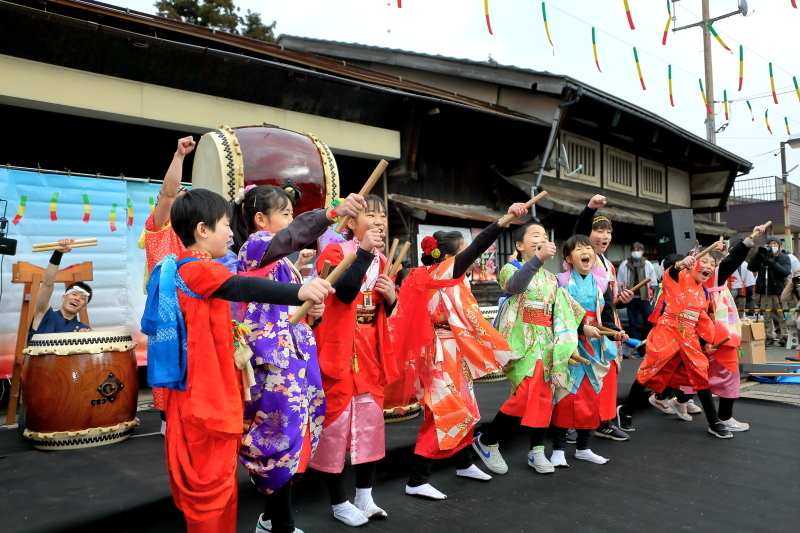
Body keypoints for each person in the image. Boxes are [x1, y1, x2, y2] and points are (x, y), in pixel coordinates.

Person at [141, 189, 333, 533]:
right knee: (211, 491)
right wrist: (298, 292)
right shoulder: (195, 270)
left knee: (218, 487)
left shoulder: (189, 271)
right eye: (225, 225)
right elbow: (241, 287)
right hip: (204, 400)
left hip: (202, 395)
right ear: (202, 229)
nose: (231, 233)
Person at [232, 185, 365, 533]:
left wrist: (312, 312)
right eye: (286, 213)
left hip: (294, 359)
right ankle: (281, 523)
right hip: (273, 365)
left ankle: (272, 519)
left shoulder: (282, 263)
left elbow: (291, 310)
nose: (292, 222)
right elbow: (295, 235)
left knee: (294, 437)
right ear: (262, 219)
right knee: (277, 440)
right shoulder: (257, 245)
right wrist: (331, 214)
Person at [390, 203, 525, 500]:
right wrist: (504, 220)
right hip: (437, 352)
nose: (469, 258)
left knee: (464, 406)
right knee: (444, 412)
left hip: (451, 351)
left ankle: (463, 462)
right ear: (451, 255)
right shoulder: (439, 274)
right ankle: (417, 478)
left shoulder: (432, 276)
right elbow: (478, 246)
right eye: (463, 251)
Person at [309, 194, 398, 527]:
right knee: (336, 427)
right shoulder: (334, 253)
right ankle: (338, 501)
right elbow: (345, 292)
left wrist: (391, 298)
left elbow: (379, 311)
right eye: (370, 215)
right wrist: (362, 250)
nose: (378, 221)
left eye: (382, 216)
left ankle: (365, 495)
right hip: (339, 350)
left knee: (371, 424)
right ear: (350, 224)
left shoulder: (383, 260)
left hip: (369, 351)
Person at [472, 221, 583, 475]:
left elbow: (563, 311)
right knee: (524, 394)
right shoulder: (511, 268)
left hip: (546, 342)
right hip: (523, 340)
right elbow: (514, 286)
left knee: (545, 397)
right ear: (520, 245)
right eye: (535, 236)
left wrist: (574, 335)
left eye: (545, 235)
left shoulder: (551, 278)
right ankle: (487, 440)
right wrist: (538, 259)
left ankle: (536, 450)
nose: (542, 239)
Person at [617, 243, 733, 439]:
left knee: (700, 373)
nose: (708, 267)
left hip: (688, 335)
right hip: (668, 331)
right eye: (703, 261)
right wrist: (680, 265)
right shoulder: (680, 276)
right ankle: (626, 410)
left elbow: (702, 319)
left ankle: (714, 422)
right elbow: (669, 274)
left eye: (712, 264)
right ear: (692, 264)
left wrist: (706, 342)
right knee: (649, 371)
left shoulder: (702, 292)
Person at [549, 235, 628, 467]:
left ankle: (584, 447)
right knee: (565, 396)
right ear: (567, 259)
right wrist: (580, 328)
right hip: (568, 345)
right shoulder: (559, 281)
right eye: (579, 249)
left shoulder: (601, 283)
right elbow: (554, 316)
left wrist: (615, 333)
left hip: (595, 346)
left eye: (588, 248)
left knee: (593, 396)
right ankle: (558, 450)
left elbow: (606, 317)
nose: (587, 252)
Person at [141, 136, 195, 433]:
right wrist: (179, 156)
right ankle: (169, 427)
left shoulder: (199, 236)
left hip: (194, 316)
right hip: (169, 320)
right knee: (171, 382)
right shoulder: (159, 228)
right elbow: (169, 193)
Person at [573, 194, 634, 441]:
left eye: (608, 232)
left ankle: (604, 420)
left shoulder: (608, 264)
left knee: (608, 374)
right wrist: (589, 208)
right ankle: (576, 422)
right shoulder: (581, 258)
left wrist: (622, 300)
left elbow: (609, 302)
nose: (604, 236)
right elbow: (577, 231)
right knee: (581, 374)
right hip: (583, 325)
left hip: (608, 325)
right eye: (598, 230)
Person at [30, 238, 93, 340]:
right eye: (74, 294)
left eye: (82, 298)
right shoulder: (44, 315)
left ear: (83, 307)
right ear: (64, 297)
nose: (77, 298)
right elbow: (47, 283)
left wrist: (88, 338)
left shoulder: (83, 329)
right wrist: (58, 254)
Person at [748, 236, 791, 346]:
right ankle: (768, 336)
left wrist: (771, 263)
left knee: (782, 315)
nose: (772, 246)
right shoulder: (763, 256)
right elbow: (751, 267)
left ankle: (784, 336)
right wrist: (758, 255)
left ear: (779, 246)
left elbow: (785, 272)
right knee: (766, 316)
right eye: (770, 244)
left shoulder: (784, 258)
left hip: (779, 291)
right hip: (764, 291)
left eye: (775, 244)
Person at [616, 242, 658, 340]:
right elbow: (619, 281)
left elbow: (653, 282)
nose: (636, 252)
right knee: (632, 322)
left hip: (644, 297)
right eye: (634, 250)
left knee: (650, 319)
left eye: (638, 250)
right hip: (630, 298)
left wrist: (653, 296)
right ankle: (636, 342)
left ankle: (650, 338)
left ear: (642, 252)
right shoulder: (624, 264)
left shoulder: (647, 264)